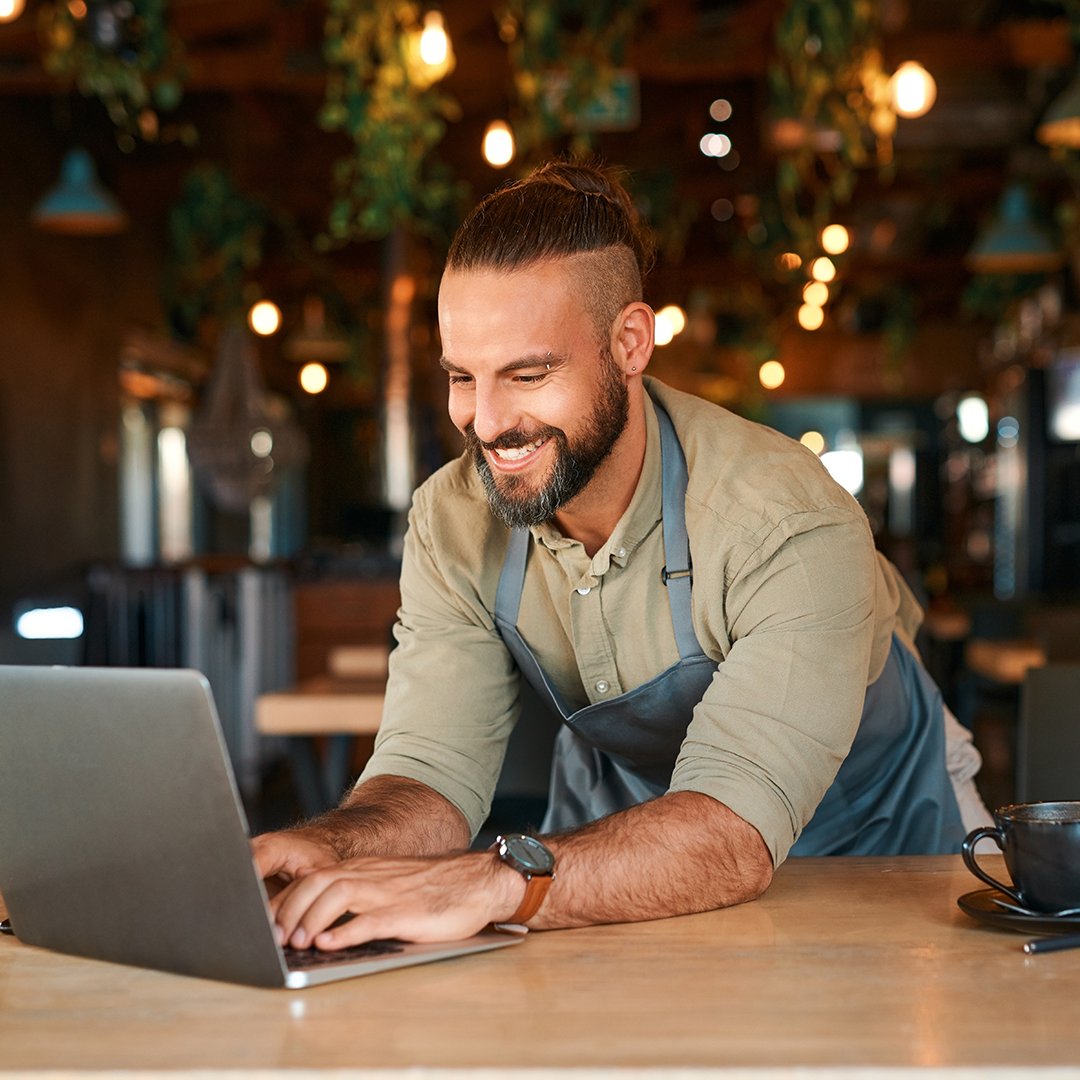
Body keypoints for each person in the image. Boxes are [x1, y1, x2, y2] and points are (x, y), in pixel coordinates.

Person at [255, 160, 989, 953]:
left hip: (881, 837)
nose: (487, 421)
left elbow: (731, 832)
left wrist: (493, 879)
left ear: (630, 343)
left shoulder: (786, 520)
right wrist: (337, 847)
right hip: (636, 837)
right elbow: (431, 769)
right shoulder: (455, 517)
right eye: (463, 377)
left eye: (528, 374)